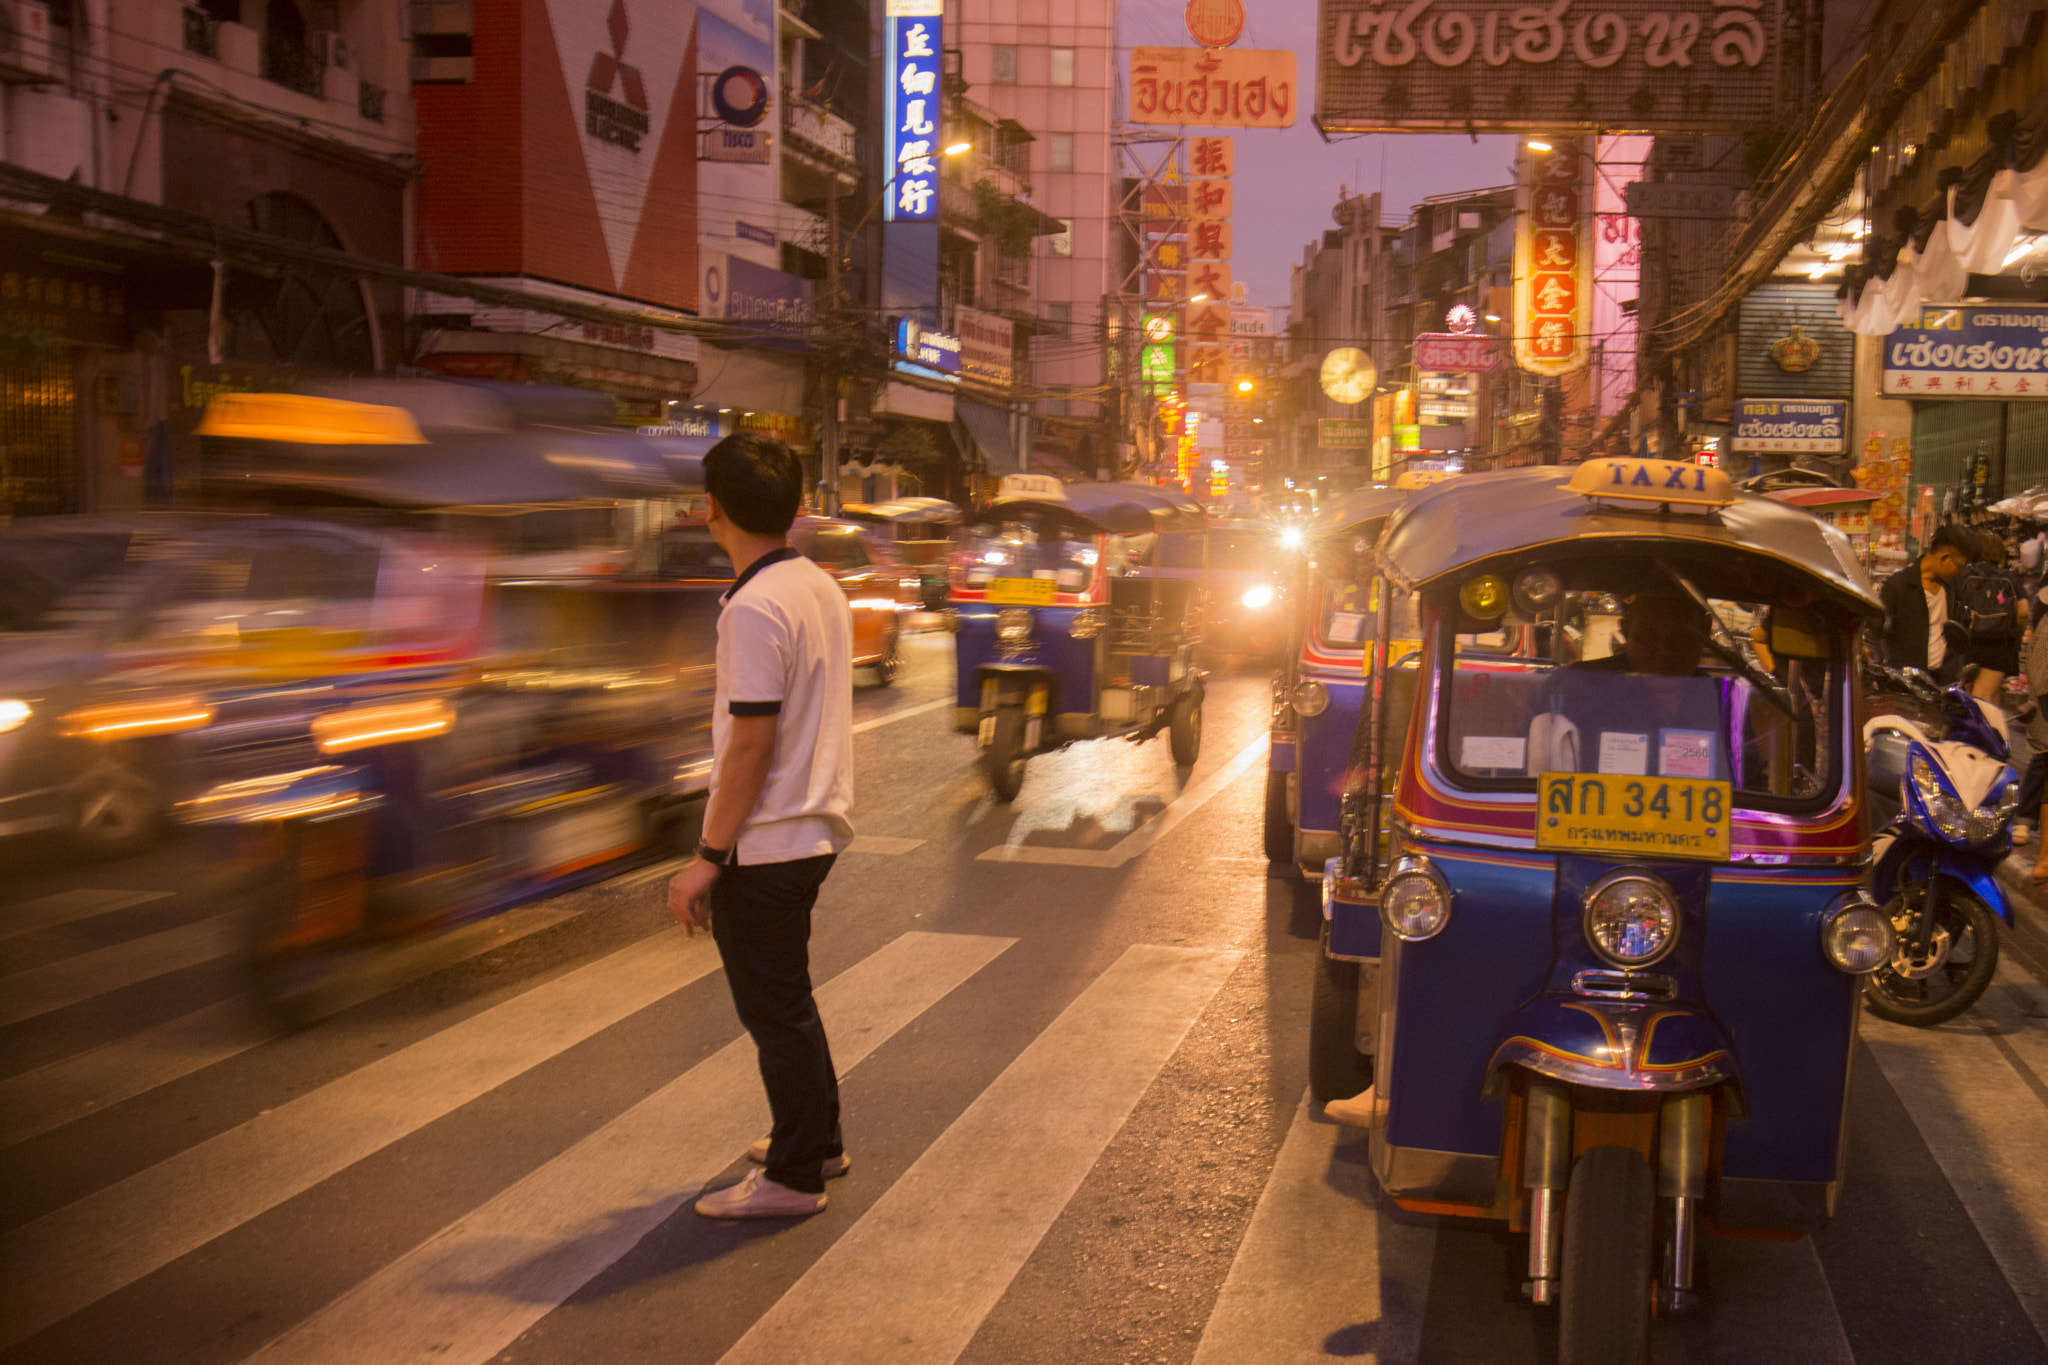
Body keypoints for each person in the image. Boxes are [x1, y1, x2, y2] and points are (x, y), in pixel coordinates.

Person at [668, 432, 855, 1219]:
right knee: (790, 1000)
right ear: (796, 506)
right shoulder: (817, 584)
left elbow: (750, 741)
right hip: (811, 830)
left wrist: (707, 856)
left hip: (769, 838)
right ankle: (818, 1139)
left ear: (712, 509)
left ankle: (794, 1176)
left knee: (773, 1009)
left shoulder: (752, 607)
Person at [1879, 524, 1975, 680]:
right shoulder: (1899, 585)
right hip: (1907, 682)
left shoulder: (1953, 588)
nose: (1961, 572)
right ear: (1944, 558)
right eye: (1960, 566)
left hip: (1944, 679)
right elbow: (1878, 632)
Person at [1956, 529, 2026, 680]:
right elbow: (2023, 612)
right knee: (1987, 695)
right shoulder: (2009, 577)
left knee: (1969, 695)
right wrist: (2017, 630)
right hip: (2000, 645)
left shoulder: (1964, 576)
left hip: (1970, 643)